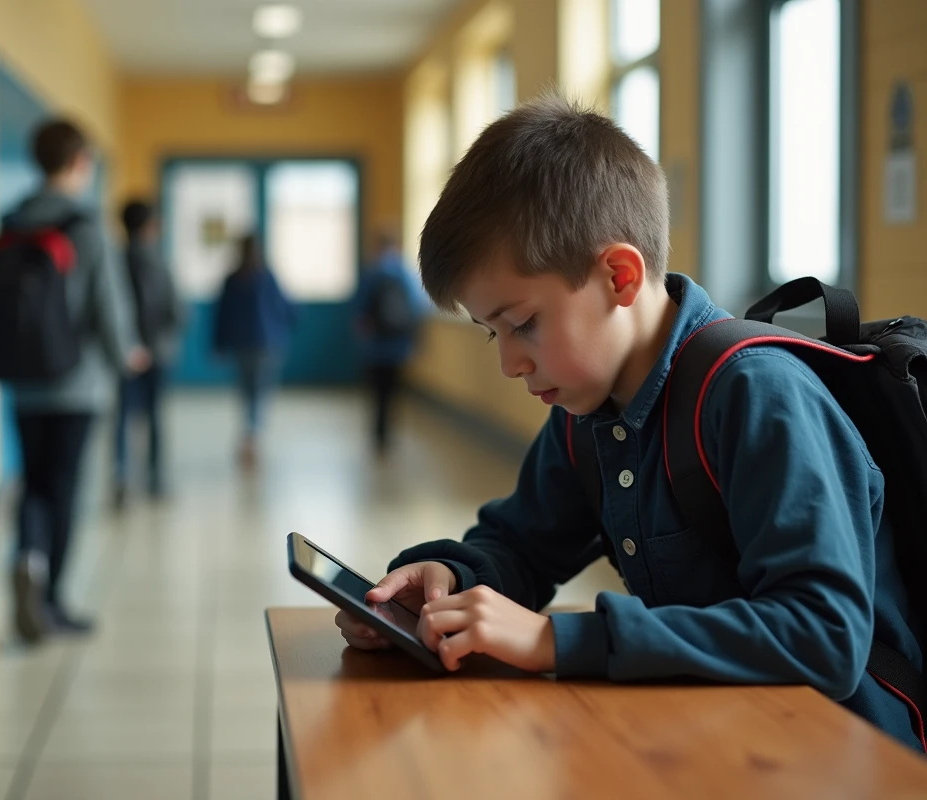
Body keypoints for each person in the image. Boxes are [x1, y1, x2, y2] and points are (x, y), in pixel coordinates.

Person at [334, 93, 926, 751]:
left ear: (619, 275)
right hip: (712, 740)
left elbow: (824, 634)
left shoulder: (758, 394)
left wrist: (558, 639)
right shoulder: (588, 408)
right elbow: (523, 547)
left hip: (851, 752)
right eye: (490, 333)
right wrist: (452, 581)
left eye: (523, 323)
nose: (508, 362)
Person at [4, 118, 148, 643]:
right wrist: (128, 353)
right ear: (78, 162)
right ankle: (52, 601)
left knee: (32, 482)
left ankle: (25, 556)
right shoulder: (86, 227)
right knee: (63, 488)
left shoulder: (13, 220)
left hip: (23, 382)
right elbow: (109, 307)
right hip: (76, 384)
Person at [114, 199, 183, 506]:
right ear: (149, 226)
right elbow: (175, 309)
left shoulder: (114, 260)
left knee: (122, 418)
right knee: (154, 416)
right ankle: (155, 480)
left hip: (123, 353)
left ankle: (121, 479)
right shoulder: (158, 261)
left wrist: (128, 344)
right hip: (155, 353)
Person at [212, 234, 296, 468]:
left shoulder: (233, 279)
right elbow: (286, 307)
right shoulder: (266, 277)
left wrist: (219, 343)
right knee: (260, 393)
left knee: (248, 392)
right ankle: (253, 436)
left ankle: (249, 435)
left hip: (242, 345)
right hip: (268, 345)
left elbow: (222, 315)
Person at [352, 230, 428, 456]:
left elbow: (358, 310)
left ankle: (379, 435)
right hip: (399, 345)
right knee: (393, 391)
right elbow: (418, 308)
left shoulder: (372, 273)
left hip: (375, 346)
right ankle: (389, 434)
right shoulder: (405, 274)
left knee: (377, 392)